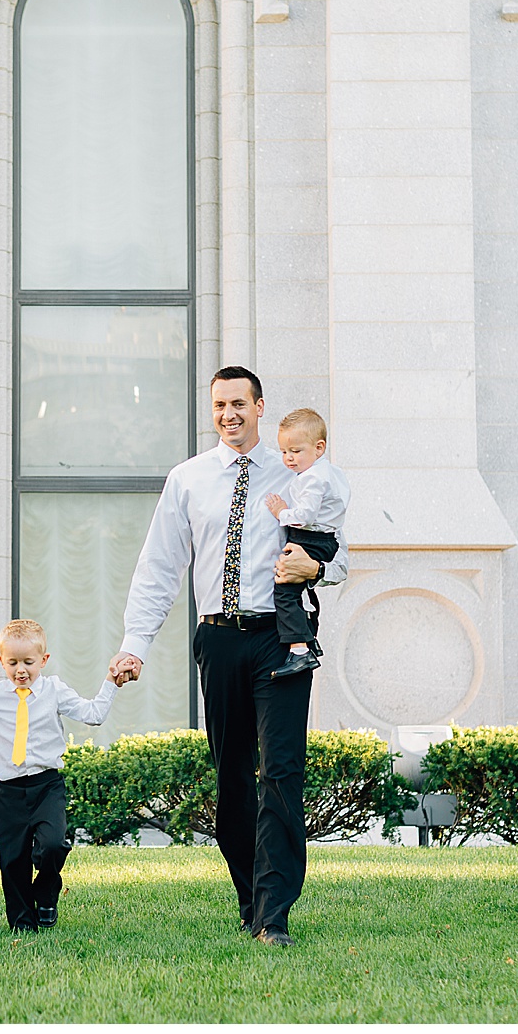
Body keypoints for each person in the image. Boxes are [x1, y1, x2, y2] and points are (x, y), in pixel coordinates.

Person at [109, 366, 349, 948]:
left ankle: (274, 915)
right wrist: (134, 645)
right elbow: (160, 567)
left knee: (283, 774)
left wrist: (314, 569)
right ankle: (250, 897)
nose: (229, 414)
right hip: (217, 638)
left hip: (279, 639)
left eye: (239, 403)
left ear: (259, 407)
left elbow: (339, 558)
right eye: (219, 405)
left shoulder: (297, 472)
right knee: (233, 779)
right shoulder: (187, 479)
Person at [0, 619, 121, 932]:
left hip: (46, 786)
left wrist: (111, 682)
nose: (21, 670)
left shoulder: (54, 690)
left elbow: (93, 715)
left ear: (43, 660)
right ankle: (22, 923)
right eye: (13, 662)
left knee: (53, 845)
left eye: (28, 663)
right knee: (12, 861)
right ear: (1, 661)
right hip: (8, 792)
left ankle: (46, 893)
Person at [263, 407, 350, 679]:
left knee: (286, 590)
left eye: (295, 451)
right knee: (298, 593)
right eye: (284, 451)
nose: (288, 458)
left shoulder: (313, 478)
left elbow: (304, 516)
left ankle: (300, 650)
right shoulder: (331, 473)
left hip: (311, 538)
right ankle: (309, 640)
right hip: (322, 537)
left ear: (319, 447)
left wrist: (281, 512)